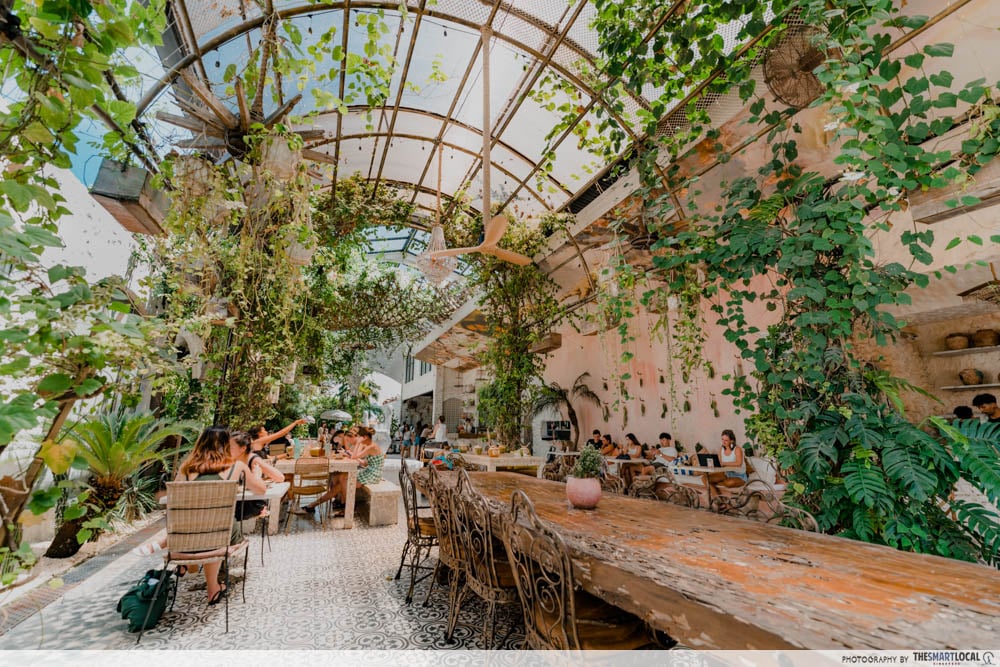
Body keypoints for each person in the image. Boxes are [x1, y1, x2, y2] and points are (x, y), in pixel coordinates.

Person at [176, 426, 266, 604]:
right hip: (222, 535)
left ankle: (188, 564)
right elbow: (261, 490)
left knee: (206, 528)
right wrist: (257, 474)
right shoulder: (236, 467)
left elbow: (177, 497)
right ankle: (213, 588)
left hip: (188, 537)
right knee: (218, 528)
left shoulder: (186, 468)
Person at [301, 426, 384, 514]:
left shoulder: (371, 446)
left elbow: (354, 457)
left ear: (365, 437)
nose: (358, 438)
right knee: (341, 480)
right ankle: (314, 505)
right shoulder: (369, 446)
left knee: (343, 480)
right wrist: (351, 454)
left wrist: (358, 444)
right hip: (369, 471)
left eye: (359, 436)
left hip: (373, 474)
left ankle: (347, 507)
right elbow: (364, 463)